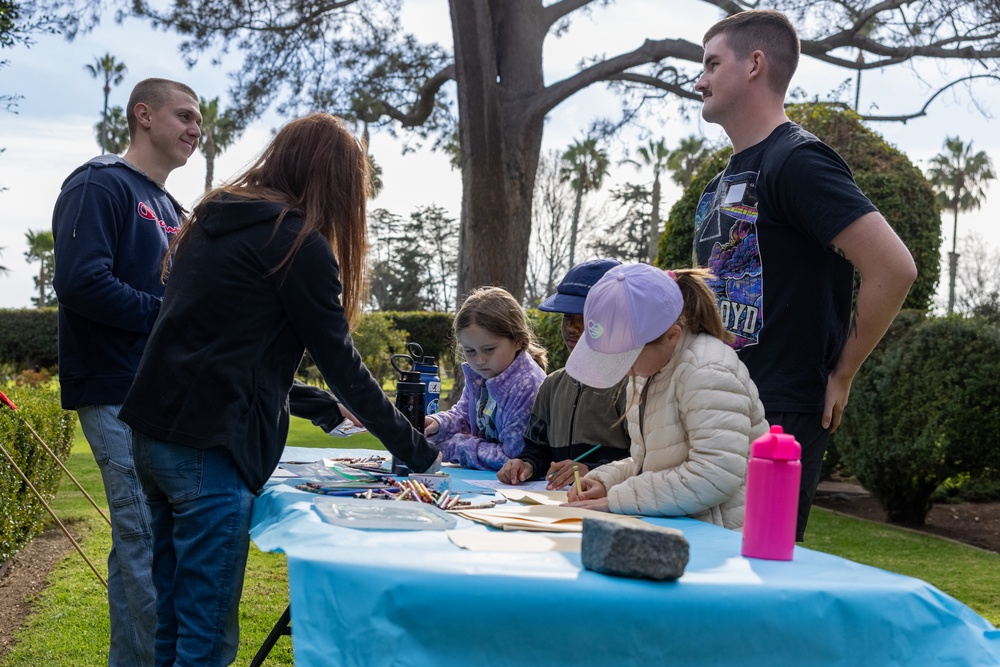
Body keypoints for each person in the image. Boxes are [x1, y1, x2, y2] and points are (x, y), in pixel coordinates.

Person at [117, 113, 441, 667]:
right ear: (336, 181)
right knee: (206, 638)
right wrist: (418, 451)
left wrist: (317, 406)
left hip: (154, 436)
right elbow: (342, 362)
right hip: (209, 448)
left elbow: (226, 351)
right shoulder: (296, 243)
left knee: (171, 620)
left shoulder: (215, 222)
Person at [692, 10, 917, 539]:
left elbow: (893, 268)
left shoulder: (798, 161)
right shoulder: (721, 181)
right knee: (700, 576)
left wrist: (842, 373)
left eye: (710, 64)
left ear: (754, 64)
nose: (698, 80)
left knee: (755, 580)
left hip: (778, 413)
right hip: (715, 402)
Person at [51, 77, 202, 667]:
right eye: (184, 116)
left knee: (148, 541)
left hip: (162, 396)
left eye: (199, 122)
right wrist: (169, 320)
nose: (196, 129)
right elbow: (82, 282)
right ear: (143, 114)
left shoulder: (175, 209)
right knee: (142, 536)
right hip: (114, 387)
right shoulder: (99, 182)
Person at [563, 263, 768, 530]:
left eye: (628, 357)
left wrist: (617, 499)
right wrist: (606, 481)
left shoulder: (708, 371)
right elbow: (652, 462)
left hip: (724, 536)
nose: (624, 369)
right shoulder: (651, 368)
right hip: (684, 525)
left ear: (672, 335)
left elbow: (714, 474)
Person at [496, 259, 631, 489]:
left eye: (584, 315)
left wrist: (593, 469)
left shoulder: (631, 383)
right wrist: (526, 465)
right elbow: (537, 448)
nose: (572, 327)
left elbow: (644, 459)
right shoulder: (552, 385)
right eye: (567, 316)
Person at [425, 286, 547, 470]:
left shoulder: (527, 384)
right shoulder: (482, 374)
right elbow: (465, 415)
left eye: (489, 349)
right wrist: (436, 424)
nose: (479, 360)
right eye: (469, 351)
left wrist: (451, 448)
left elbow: (512, 456)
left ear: (518, 341)